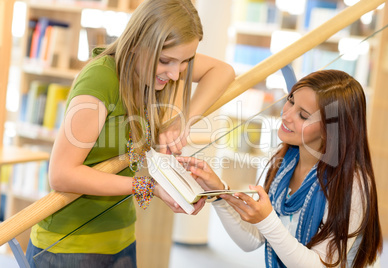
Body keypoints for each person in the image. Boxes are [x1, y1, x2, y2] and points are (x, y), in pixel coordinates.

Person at [25, 0, 235, 267]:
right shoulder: (101, 79)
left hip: (122, 237)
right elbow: (61, 174)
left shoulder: (150, 75)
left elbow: (224, 71)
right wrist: (148, 187)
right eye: (165, 60)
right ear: (137, 42)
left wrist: (184, 120)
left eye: (185, 62)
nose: (174, 74)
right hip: (69, 245)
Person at [178, 69, 383, 268]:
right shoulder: (285, 162)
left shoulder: (352, 182)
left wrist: (267, 220)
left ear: (331, 129)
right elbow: (252, 240)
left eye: (303, 115)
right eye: (291, 100)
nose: (286, 115)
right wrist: (219, 193)